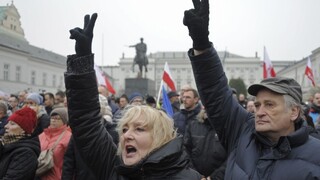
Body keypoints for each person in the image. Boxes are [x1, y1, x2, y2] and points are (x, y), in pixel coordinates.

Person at [184, 0, 320, 178]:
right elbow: (216, 94)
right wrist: (201, 45)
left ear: (294, 112)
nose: (260, 112)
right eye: (257, 105)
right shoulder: (243, 132)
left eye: (269, 105)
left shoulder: (316, 156)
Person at [65, 13, 202, 179]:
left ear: (160, 136)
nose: (126, 135)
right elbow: (86, 122)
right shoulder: (115, 168)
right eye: (124, 129)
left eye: (139, 129)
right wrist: (82, 63)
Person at [184, 108, 227, 179]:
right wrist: (196, 175)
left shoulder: (228, 128)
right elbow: (185, 151)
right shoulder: (193, 125)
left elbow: (233, 157)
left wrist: (213, 177)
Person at [0, 107, 40, 179]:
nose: (6, 126)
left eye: (12, 124)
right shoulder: (5, 144)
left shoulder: (26, 153)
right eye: (8, 123)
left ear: (23, 130)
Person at [38, 107, 72, 180]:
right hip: (40, 175)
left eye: (57, 118)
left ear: (64, 121)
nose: (53, 120)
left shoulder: (68, 137)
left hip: (57, 177)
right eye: (52, 118)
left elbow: (70, 163)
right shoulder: (42, 135)